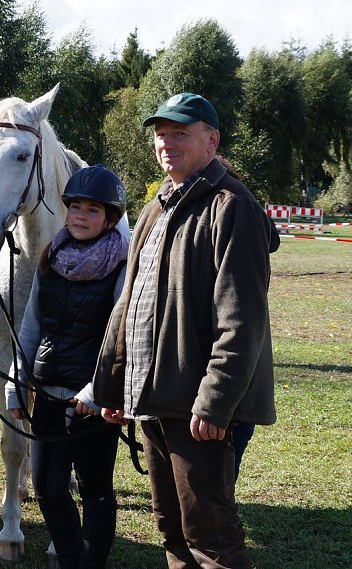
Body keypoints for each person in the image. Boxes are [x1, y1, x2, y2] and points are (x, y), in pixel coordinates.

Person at [93, 92, 277, 569]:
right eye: (161, 135)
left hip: (197, 406)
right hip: (153, 398)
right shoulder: (157, 208)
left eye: (180, 134)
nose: (167, 144)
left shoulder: (232, 206)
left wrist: (216, 402)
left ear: (211, 141)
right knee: (171, 528)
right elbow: (128, 306)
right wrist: (112, 386)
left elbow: (242, 320)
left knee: (210, 535)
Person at [6, 165, 130, 569]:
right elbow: (31, 323)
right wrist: (16, 380)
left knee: (94, 491)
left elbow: (122, 337)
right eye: (75, 206)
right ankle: (72, 559)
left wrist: (98, 391)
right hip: (49, 395)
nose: (80, 215)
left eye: (92, 210)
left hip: (92, 403)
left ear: (110, 219)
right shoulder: (52, 256)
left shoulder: (121, 266)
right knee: (47, 488)